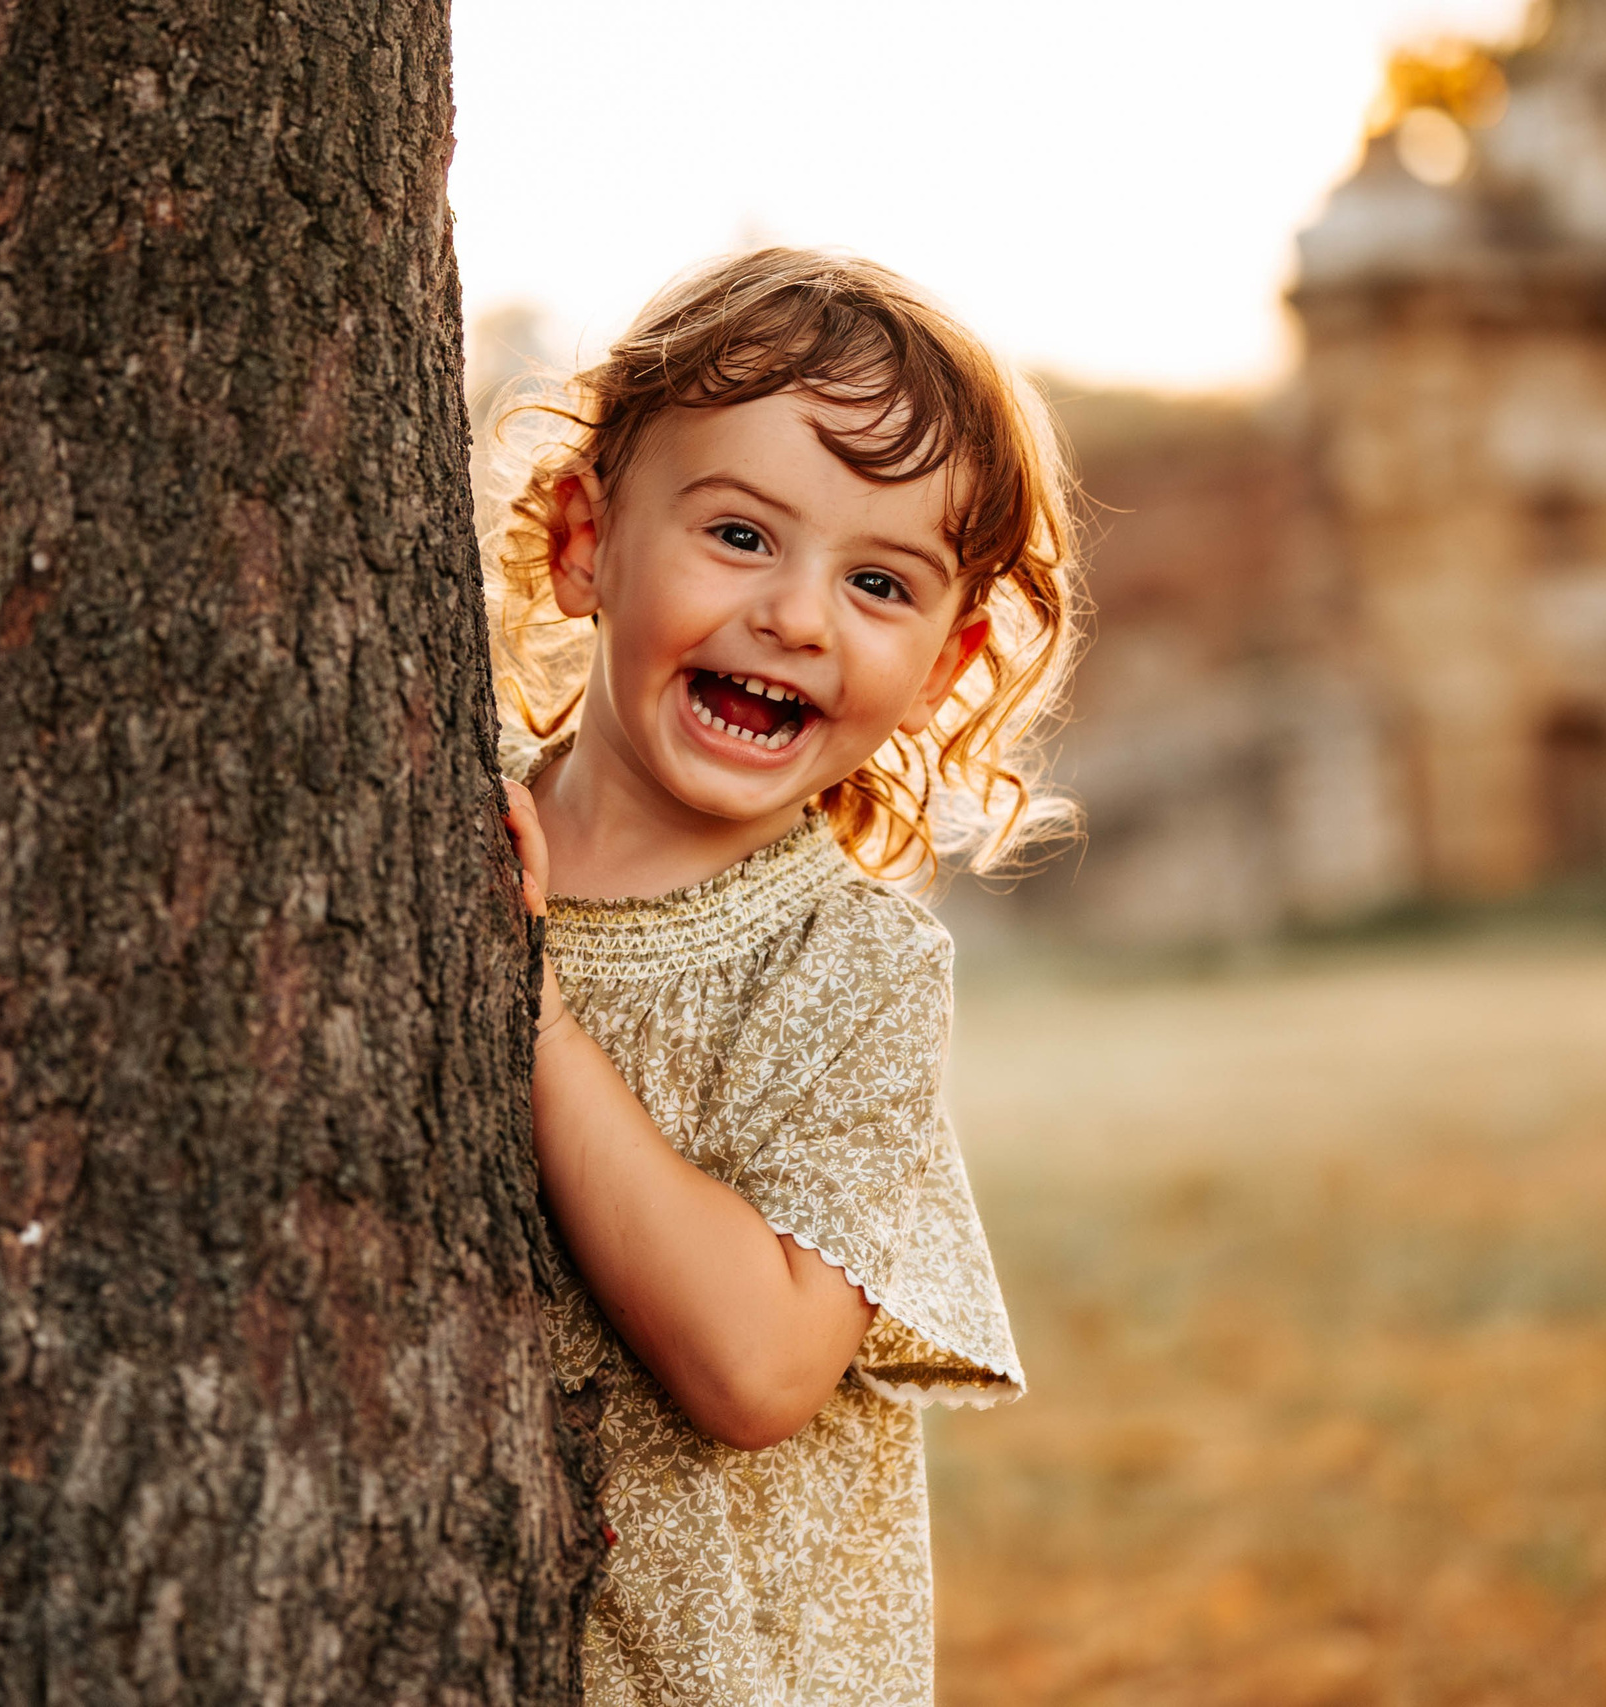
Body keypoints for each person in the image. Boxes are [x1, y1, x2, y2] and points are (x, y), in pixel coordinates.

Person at [488, 248, 1080, 1705]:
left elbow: (759, 1368)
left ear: (944, 667)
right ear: (585, 540)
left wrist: (527, 997)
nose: (801, 617)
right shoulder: (450, 829)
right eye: (742, 536)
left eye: (880, 582)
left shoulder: (857, 968)